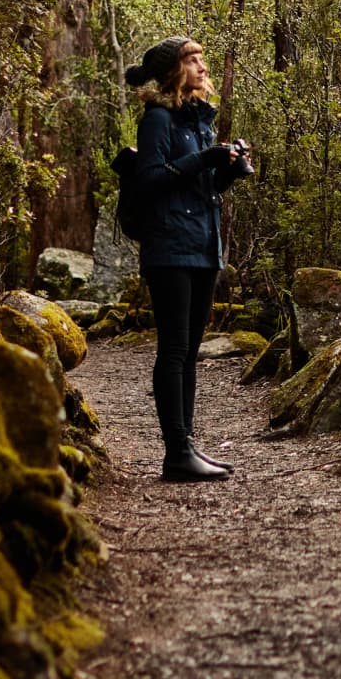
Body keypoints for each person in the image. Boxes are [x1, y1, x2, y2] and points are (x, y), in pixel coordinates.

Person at [125, 35, 252, 482]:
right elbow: (151, 179)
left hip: (202, 245)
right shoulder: (158, 119)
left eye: (201, 57)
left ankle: (188, 446)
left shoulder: (197, 119)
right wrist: (205, 157)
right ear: (173, 71)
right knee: (175, 349)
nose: (201, 65)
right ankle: (175, 451)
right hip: (169, 248)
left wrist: (228, 170)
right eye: (191, 59)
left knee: (191, 350)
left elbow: (202, 186)